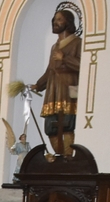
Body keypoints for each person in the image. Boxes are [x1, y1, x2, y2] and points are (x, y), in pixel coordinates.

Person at [31, 8, 82, 158]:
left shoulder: (77, 43)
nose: (55, 22)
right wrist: (38, 85)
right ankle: (59, 155)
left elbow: (83, 66)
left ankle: (68, 157)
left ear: (69, 22)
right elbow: (50, 70)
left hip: (69, 89)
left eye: (59, 19)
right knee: (50, 127)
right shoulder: (55, 46)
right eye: (54, 20)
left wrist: (64, 58)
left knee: (68, 124)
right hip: (53, 91)